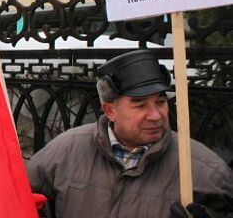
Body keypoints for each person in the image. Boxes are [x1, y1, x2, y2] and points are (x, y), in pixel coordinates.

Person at [27, 49, 233, 218]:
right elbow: (18, 202)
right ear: (110, 111)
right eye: (140, 105)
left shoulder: (204, 169)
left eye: (160, 102)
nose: (155, 115)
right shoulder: (67, 150)